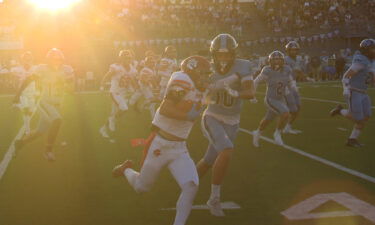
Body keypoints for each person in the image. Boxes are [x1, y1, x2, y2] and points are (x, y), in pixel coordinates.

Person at [112, 56, 211, 225]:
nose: (205, 77)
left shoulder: (201, 88)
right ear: (192, 72)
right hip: (160, 143)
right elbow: (165, 108)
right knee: (141, 188)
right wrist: (188, 115)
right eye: (202, 73)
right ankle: (125, 170)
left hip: (180, 148)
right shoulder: (183, 80)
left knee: (191, 186)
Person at [196, 34, 255, 217]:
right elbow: (200, 91)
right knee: (227, 150)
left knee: (208, 161)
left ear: (234, 54)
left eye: (227, 55)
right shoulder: (207, 68)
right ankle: (214, 198)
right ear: (214, 55)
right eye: (220, 55)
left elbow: (250, 91)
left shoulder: (243, 66)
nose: (223, 59)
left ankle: (187, 184)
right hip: (212, 115)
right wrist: (208, 86)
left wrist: (235, 92)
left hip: (233, 120)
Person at [13, 48, 74, 161]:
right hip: (44, 102)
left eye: (58, 60)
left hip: (56, 104)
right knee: (57, 120)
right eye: (54, 60)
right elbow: (28, 80)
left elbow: (71, 88)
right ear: (48, 61)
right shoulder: (42, 69)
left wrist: (64, 82)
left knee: (39, 131)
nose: (56, 62)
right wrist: (18, 94)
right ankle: (48, 150)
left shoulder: (66, 70)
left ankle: (20, 143)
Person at [330, 39, 375, 147]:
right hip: (354, 91)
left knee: (367, 116)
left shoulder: (372, 61)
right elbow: (346, 76)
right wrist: (345, 89)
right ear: (366, 50)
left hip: (363, 92)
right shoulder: (361, 60)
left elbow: (372, 77)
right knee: (357, 118)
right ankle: (340, 111)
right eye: (373, 48)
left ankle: (352, 139)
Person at [253, 51, 295, 147]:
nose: (277, 62)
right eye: (275, 59)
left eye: (279, 59)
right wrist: (253, 95)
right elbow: (255, 81)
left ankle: (257, 132)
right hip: (270, 99)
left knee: (268, 119)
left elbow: (289, 79)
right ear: (270, 61)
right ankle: (277, 133)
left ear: (282, 61)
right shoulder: (267, 70)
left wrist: (293, 86)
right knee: (285, 113)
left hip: (280, 99)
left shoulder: (286, 69)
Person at [99, 49, 138, 138]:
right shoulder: (116, 67)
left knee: (114, 112)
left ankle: (103, 129)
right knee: (124, 108)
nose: (128, 60)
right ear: (121, 59)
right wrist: (102, 85)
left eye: (129, 58)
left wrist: (135, 87)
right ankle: (112, 120)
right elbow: (107, 75)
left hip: (122, 94)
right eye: (125, 58)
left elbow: (131, 79)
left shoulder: (132, 69)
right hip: (114, 92)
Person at [12, 52, 38, 135]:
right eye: (25, 59)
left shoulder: (35, 68)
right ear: (22, 60)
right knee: (26, 110)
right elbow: (15, 81)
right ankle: (27, 130)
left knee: (31, 110)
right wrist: (17, 92)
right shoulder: (17, 69)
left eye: (28, 58)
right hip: (23, 93)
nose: (27, 60)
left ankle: (18, 106)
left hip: (32, 92)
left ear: (31, 59)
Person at [283, 41, 302, 134]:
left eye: (295, 50)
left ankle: (287, 127)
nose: (294, 52)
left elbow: (298, 71)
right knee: (291, 108)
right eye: (292, 50)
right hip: (286, 85)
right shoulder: (285, 60)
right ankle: (284, 128)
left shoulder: (298, 59)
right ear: (288, 51)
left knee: (297, 107)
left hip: (293, 84)